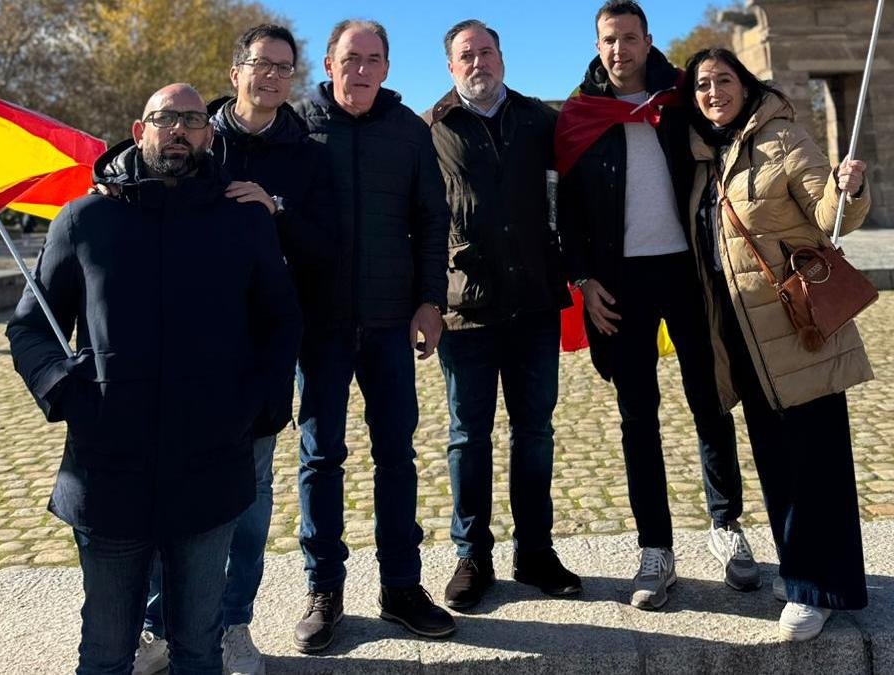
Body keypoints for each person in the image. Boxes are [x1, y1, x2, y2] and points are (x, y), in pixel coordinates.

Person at [6, 83, 302, 673]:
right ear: (141, 132)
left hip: (210, 466)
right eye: (165, 118)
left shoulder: (243, 222)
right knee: (108, 649)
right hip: (108, 469)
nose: (180, 130)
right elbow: (30, 328)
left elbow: (280, 322)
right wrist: (66, 390)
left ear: (209, 137)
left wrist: (260, 410)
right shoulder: (85, 219)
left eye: (194, 120)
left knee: (198, 646)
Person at [130, 25, 335, 675]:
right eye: (259, 64)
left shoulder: (308, 152)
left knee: (247, 503)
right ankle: (158, 626)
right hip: (180, 355)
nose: (271, 76)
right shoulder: (187, 131)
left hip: (259, 359)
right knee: (172, 496)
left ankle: (232, 623)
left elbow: (326, 247)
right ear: (236, 69)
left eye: (283, 67)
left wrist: (274, 210)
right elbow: (135, 194)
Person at [555, 0, 760, 611]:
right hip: (619, 283)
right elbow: (565, 213)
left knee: (711, 403)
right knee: (637, 416)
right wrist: (584, 281)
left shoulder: (683, 98)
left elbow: (742, 133)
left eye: (630, 38)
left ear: (649, 41)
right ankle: (656, 550)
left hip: (690, 273)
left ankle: (727, 528)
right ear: (599, 45)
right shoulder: (578, 115)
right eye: (609, 40)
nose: (620, 50)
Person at [677, 47, 871, 641]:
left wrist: (848, 189)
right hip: (741, 334)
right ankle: (803, 575)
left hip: (796, 325)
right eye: (703, 85)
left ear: (745, 83)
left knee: (817, 460)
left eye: (723, 80)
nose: (713, 92)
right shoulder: (704, 156)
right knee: (776, 462)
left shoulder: (785, 136)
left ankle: (818, 589)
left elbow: (828, 213)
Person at [291, 19, 454, 652]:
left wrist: (431, 301)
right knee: (320, 457)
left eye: (373, 59)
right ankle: (323, 589)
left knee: (397, 456)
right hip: (321, 323)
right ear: (329, 64)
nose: (360, 70)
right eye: (349, 58)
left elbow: (431, 221)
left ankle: (402, 587)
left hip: (391, 322)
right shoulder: (298, 127)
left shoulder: (410, 131)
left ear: (386, 68)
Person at [424, 19, 580, 611]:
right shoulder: (431, 130)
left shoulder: (541, 120)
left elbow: (575, 191)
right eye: (466, 55)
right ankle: (473, 554)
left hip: (537, 302)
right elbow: (421, 219)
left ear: (502, 58)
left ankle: (534, 550)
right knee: (468, 437)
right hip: (467, 310)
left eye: (486, 52)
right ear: (451, 67)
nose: (478, 63)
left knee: (534, 433)